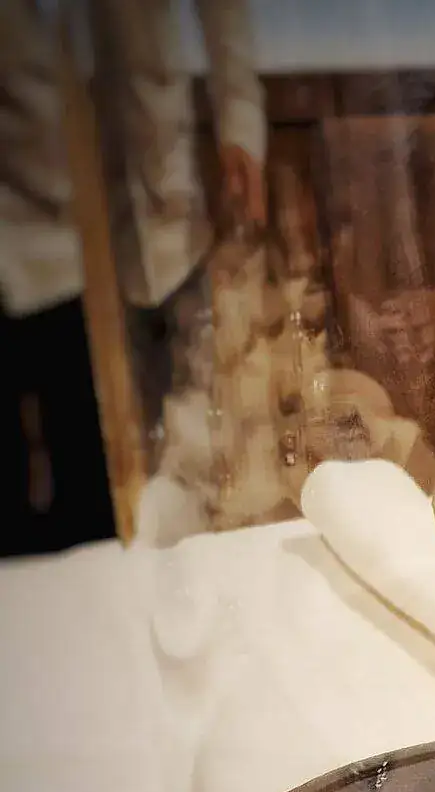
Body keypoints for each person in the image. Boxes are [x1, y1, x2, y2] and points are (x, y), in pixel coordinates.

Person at [0, 0, 265, 556]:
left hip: (159, 200)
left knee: (189, 455)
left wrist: (238, 118)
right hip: (32, 228)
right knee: (70, 486)